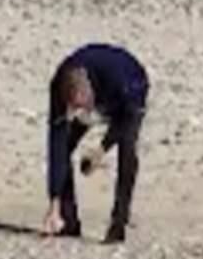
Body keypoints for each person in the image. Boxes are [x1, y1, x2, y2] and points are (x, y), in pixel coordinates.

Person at [40, 42, 147, 245]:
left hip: (130, 88)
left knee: (127, 152)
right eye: (73, 109)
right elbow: (56, 144)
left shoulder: (119, 82)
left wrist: (101, 150)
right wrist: (54, 203)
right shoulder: (58, 86)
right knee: (65, 147)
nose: (77, 113)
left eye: (80, 107)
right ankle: (68, 219)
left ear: (89, 92)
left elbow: (125, 121)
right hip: (94, 91)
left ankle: (118, 225)